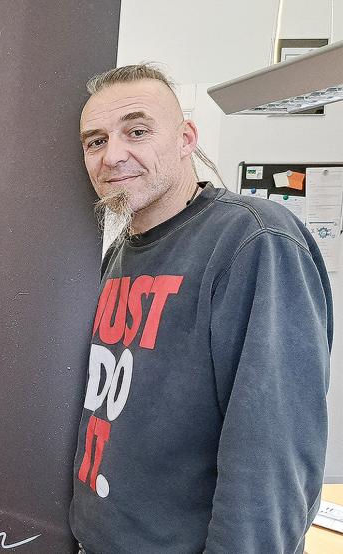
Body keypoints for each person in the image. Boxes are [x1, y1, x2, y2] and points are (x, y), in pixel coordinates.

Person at [71, 63, 332, 553]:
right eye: (96, 140)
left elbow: (271, 456)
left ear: (186, 137)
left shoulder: (254, 240)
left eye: (137, 131)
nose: (113, 154)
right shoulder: (121, 251)